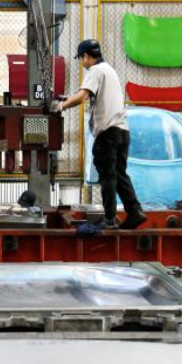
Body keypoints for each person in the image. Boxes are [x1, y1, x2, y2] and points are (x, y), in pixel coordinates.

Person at [56, 39, 147, 230]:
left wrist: (61, 106)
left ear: (86, 56)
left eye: (82, 58)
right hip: (122, 131)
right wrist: (67, 98)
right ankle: (135, 211)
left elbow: (82, 97)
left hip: (108, 133)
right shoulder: (109, 70)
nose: (82, 62)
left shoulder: (94, 71)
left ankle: (110, 218)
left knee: (107, 175)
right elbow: (88, 94)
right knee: (120, 173)